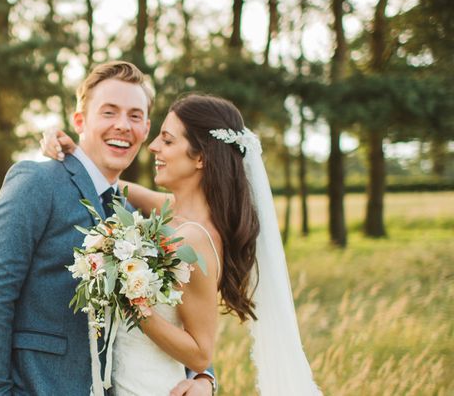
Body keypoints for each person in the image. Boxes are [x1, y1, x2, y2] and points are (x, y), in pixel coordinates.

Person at [43, 93, 322, 396]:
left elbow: (201, 353)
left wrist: (132, 300)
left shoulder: (194, 238)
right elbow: (121, 187)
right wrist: (80, 158)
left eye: (168, 140)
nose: (153, 147)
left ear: (200, 157)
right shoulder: (174, 211)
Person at [0, 61, 214, 396]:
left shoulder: (131, 213)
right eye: (109, 112)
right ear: (80, 120)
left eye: (135, 116)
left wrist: (204, 378)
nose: (123, 125)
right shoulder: (37, 183)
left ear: (146, 128)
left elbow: (175, 312)